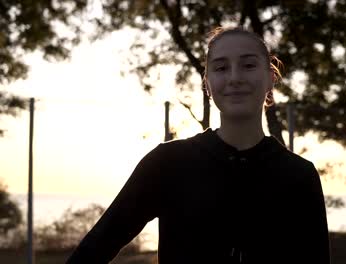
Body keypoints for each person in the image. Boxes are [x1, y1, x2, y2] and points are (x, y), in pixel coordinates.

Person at [67, 26, 330, 264]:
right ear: (207, 82)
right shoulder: (167, 162)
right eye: (221, 68)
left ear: (271, 77)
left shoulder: (299, 176)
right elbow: (92, 251)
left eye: (248, 65)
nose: (234, 78)